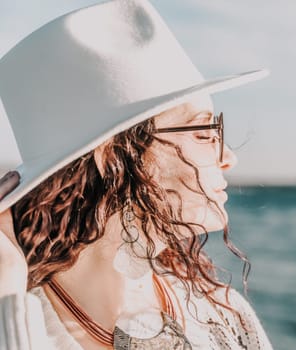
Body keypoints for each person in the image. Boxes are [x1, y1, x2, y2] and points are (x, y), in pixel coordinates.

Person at [0, 0, 272, 349]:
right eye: (204, 133)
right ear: (113, 155)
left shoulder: (224, 314)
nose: (228, 157)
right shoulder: (21, 320)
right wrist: (6, 281)